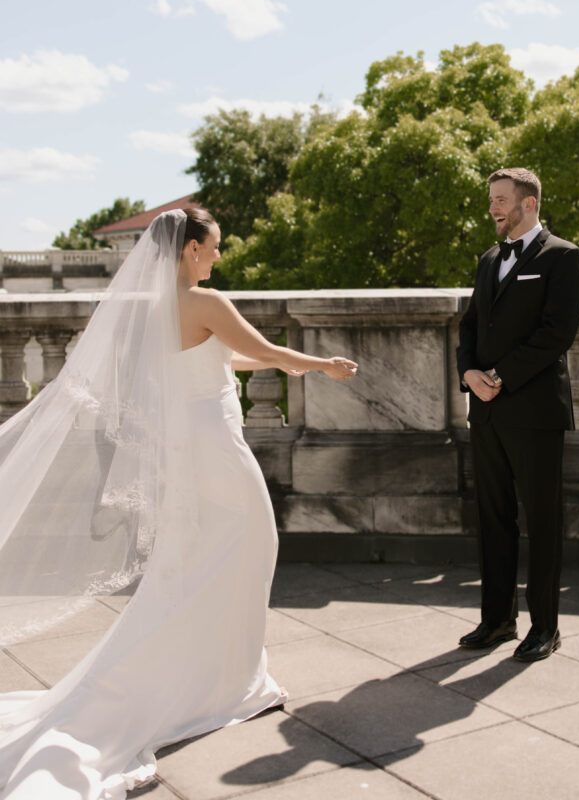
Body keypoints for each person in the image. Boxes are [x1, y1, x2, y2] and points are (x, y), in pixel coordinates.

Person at [0, 206, 356, 798]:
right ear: (190, 249)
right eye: (213, 246)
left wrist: (282, 362)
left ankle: (215, 673)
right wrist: (323, 365)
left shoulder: (150, 310)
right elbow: (266, 351)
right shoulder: (207, 303)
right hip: (215, 449)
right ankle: (225, 680)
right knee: (252, 544)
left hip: (185, 452)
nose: (218, 255)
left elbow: (224, 354)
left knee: (194, 560)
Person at [456, 168, 579, 662]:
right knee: (493, 518)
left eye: (502, 200)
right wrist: (469, 373)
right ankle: (497, 620)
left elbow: (557, 333)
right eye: (492, 199)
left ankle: (545, 628)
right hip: (485, 412)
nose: (493, 207)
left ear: (528, 204)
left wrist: (501, 377)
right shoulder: (489, 259)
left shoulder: (563, 256)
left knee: (542, 520)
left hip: (533, 411)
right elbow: (469, 325)